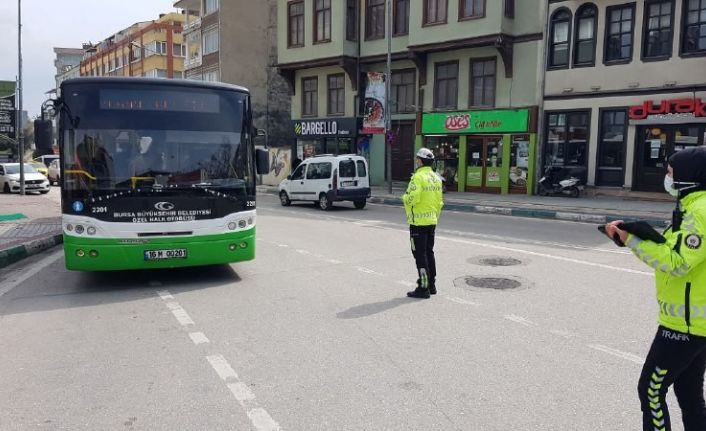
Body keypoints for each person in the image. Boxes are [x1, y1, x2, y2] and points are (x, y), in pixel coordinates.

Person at [603, 146, 706, 431]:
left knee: (650, 390)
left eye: (671, 172)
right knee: (689, 395)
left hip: (684, 326)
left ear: (689, 176)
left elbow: (678, 262)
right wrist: (639, 235)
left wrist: (631, 240)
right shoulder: (693, 207)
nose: (668, 178)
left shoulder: (699, 212)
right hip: (695, 324)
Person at [403, 148, 444, 299]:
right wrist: (435, 217)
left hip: (418, 223)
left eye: (416, 159)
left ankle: (423, 287)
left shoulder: (418, 177)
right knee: (429, 252)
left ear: (420, 161)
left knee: (419, 255)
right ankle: (432, 285)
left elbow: (412, 198)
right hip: (431, 221)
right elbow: (440, 202)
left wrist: (405, 198)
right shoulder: (436, 178)